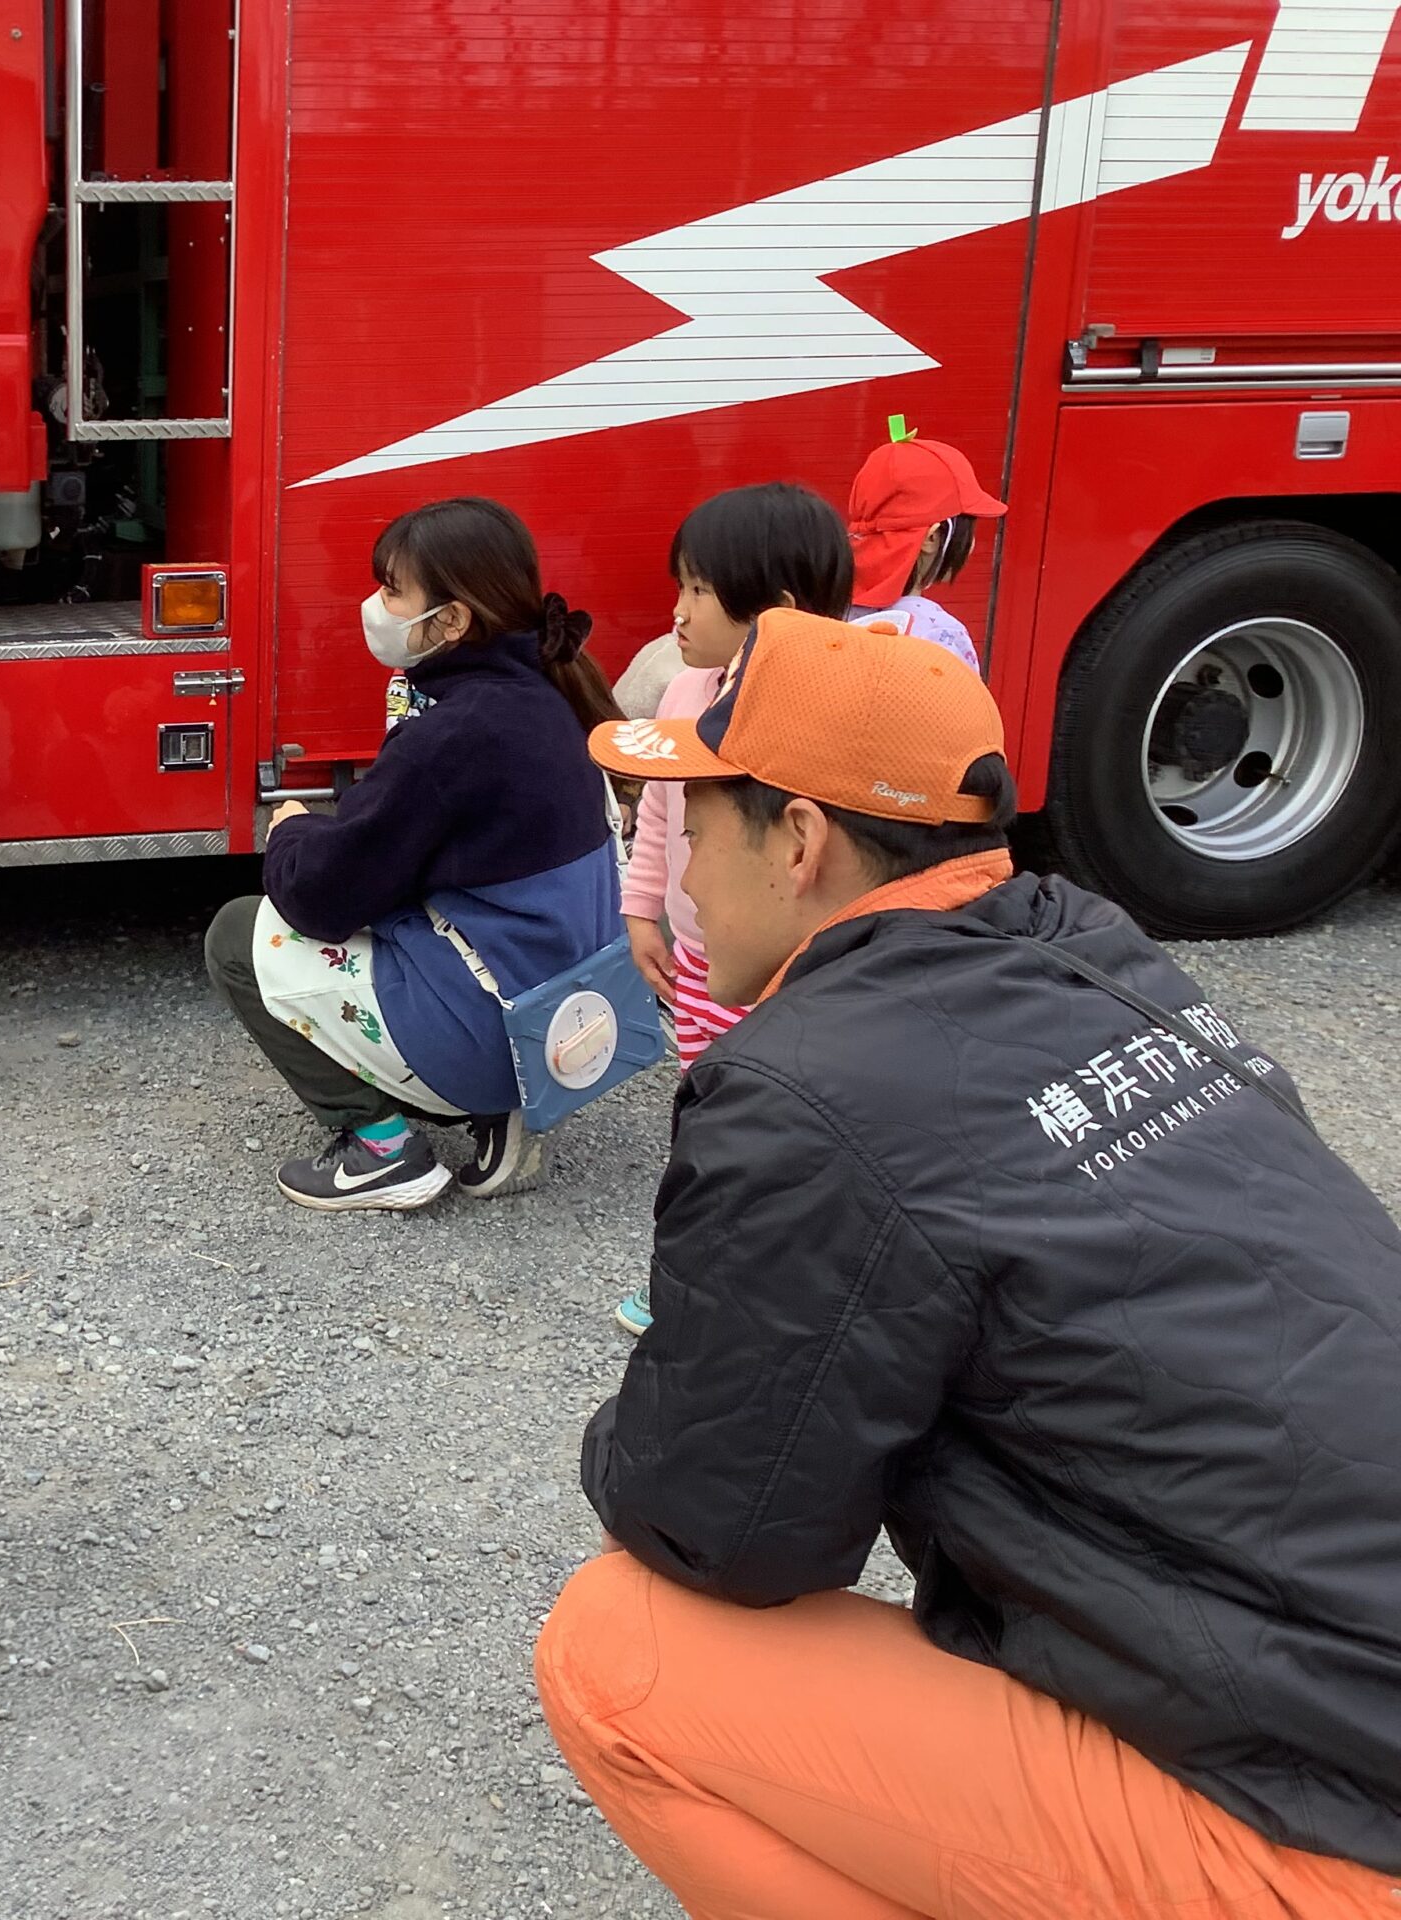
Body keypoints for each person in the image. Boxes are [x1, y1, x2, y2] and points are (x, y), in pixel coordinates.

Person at [541, 608, 1401, 1918]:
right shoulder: (1094, 954)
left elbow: (716, 1528)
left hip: (1337, 1827)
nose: (677, 879)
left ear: (800, 838)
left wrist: (640, 1419)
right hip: (1354, 1703)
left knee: (619, 1650)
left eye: (696, 830)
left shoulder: (805, 1085)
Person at [205, 497, 624, 1212]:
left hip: (494, 1031)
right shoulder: (547, 697)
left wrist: (293, 830)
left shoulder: (452, 734)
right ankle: (509, 1107)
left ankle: (383, 1152)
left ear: (453, 620)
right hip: (570, 1027)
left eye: (393, 590)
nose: (376, 605)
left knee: (239, 933)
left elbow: (324, 897)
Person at [609, 483, 848, 1339]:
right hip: (703, 957)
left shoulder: (830, 709)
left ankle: (780, 1283)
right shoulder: (685, 695)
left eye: (699, 591)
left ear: (777, 612)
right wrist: (641, 911)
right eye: (680, 586)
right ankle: (692, 1279)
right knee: (708, 1115)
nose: (676, 611)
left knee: (791, 1124)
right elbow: (657, 818)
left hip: (798, 965)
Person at [844, 429, 1007, 669]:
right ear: (931, 539)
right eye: (969, 532)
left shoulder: (821, 610)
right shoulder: (941, 635)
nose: (971, 545)